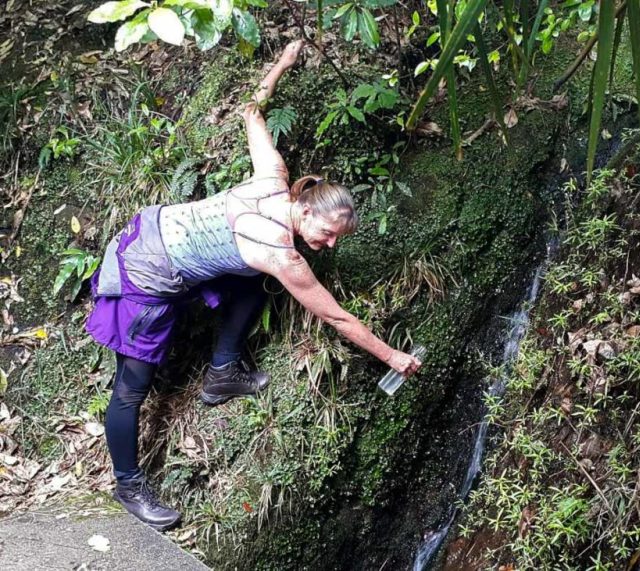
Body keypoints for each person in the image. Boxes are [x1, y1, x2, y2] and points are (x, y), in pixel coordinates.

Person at [84, 40, 422, 531]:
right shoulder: (282, 255)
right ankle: (128, 486)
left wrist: (282, 64)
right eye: (325, 234)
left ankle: (222, 373)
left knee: (251, 284)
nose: (326, 246)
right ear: (305, 209)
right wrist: (393, 357)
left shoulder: (273, 177)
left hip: (156, 231)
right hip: (144, 271)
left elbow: (251, 112)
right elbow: (335, 316)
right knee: (132, 390)